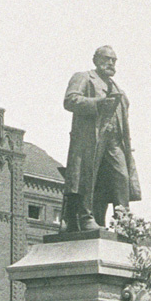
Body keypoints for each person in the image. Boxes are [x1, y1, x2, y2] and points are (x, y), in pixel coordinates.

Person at [60, 46, 141, 232]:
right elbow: (70, 100)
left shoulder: (117, 88)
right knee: (87, 177)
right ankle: (85, 216)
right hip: (90, 139)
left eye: (114, 60)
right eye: (107, 58)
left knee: (121, 177)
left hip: (114, 141)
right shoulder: (84, 77)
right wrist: (97, 103)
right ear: (95, 60)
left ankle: (123, 222)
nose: (111, 63)